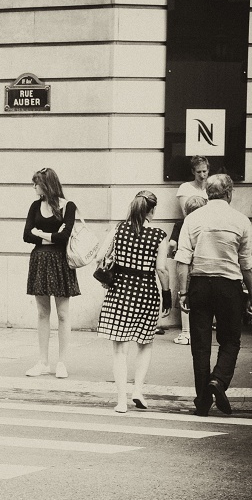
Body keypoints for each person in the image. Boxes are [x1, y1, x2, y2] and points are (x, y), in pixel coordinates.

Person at [175, 173, 252, 416]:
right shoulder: (241, 220)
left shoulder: (193, 218)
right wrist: (251, 294)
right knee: (230, 339)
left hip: (199, 284)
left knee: (200, 345)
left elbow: (182, 259)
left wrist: (183, 292)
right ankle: (218, 380)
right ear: (229, 193)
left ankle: (203, 401)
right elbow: (247, 265)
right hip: (229, 286)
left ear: (207, 193)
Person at [96, 191, 170, 413]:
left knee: (120, 350)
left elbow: (100, 256)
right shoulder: (159, 235)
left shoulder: (119, 228)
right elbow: (161, 269)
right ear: (152, 211)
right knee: (145, 344)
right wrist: (167, 295)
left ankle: (121, 401)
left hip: (120, 292)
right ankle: (138, 390)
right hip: (146, 294)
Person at [23, 167, 79, 379]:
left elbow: (65, 237)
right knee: (42, 313)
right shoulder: (35, 206)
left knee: (63, 314)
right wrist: (52, 236)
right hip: (40, 261)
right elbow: (26, 235)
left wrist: (41, 233)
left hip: (60, 262)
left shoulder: (68, 206)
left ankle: (62, 362)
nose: (34, 187)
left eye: (36, 183)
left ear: (46, 185)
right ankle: (43, 362)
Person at [171, 156, 210, 345]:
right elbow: (188, 214)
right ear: (193, 172)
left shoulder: (211, 186)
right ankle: (187, 331)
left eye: (205, 171)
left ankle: (195, 330)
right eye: (199, 171)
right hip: (193, 245)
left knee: (194, 291)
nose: (202, 175)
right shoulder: (186, 188)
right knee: (186, 289)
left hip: (203, 248)